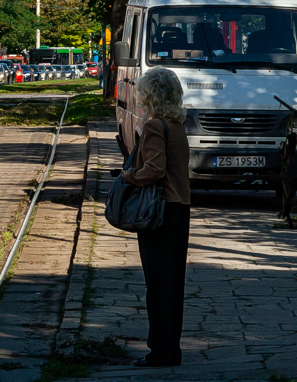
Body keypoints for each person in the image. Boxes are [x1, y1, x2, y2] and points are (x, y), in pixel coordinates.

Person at [121, 66, 190, 367]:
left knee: (157, 284)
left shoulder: (153, 126)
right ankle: (170, 348)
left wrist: (128, 176)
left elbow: (154, 170)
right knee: (173, 284)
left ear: (149, 95)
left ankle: (160, 351)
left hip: (159, 213)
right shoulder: (176, 125)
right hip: (180, 209)